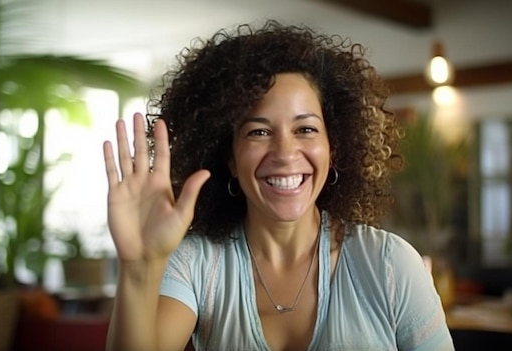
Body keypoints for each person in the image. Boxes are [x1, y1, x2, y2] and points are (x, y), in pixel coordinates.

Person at [102, 20, 454, 351]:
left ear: (334, 147)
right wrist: (138, 267)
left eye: (305, 129)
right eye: (259, 132)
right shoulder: (198, 263)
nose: (285, 153)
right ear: (229, 158)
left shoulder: (390, 265)